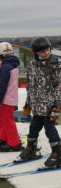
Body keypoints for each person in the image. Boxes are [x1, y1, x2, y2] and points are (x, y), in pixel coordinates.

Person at [15, 37, 61, 169]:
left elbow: (59, 86)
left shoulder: (56, 64)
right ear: (36, 52)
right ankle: (31, 149)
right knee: (33, 127)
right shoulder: (32, 65)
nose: (45, 53)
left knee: (50, 129)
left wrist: (58, 106)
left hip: (52, 105)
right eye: (42, 51)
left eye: (47, 50)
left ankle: (57, 153)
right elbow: (30, 86)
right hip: (37, 105)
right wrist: (28, 103)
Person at [0, 42, 22, 151]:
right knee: (2, 119)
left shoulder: (6, 67)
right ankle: (3, 138)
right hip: (9, 97)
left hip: (6, 98)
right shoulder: (11, 64)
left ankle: (14, 143)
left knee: (7, 121)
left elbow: (3, 85)